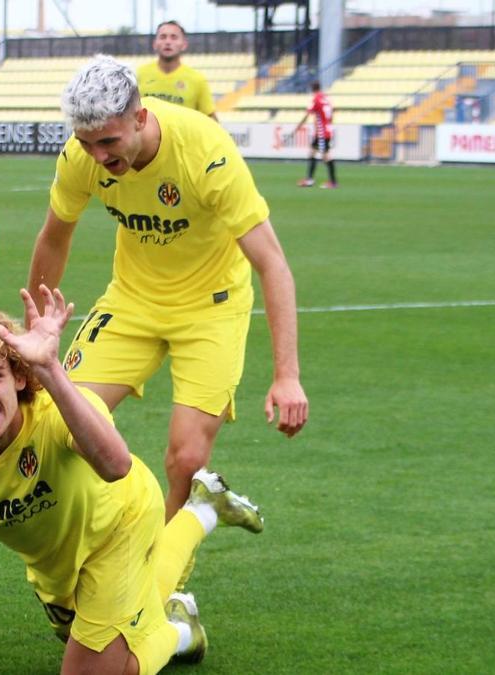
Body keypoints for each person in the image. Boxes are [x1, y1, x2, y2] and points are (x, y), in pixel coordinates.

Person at [0, 287, 265, 674]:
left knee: (103, 669)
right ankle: (200, 516)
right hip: (54, 555)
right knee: (97, 642)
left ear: (18, 376)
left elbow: (115, 465)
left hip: (119, 524)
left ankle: (175, 632)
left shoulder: (59, 409)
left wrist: (49, 367)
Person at [28, 55, 308, 532]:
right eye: (86, 144)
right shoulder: (82, 158)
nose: (98, 158)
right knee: (60, 426)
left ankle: (167, 578)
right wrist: (32, 333)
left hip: (211, 310)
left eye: (109, 142)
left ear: (139, 118)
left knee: (186, 458)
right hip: (131, 301)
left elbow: (272, 262)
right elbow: (55, 236)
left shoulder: (205, 150)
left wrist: (287, 375)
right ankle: (118, 536)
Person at [135, 21, 216, 121]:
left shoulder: (197, 79)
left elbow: (210, 118)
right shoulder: (138, 75)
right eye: (163, 37)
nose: (168, 42)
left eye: (174, 37)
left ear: (184, 44)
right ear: (155, 44)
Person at [295, 81, 335, 188]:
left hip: (321, 132)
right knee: (312, 153)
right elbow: (331, 113)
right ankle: (309, 180)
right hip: (327, 130)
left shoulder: (316, 99)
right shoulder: (325, 98)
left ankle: (333, 182)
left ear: (312, 88)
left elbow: (308, 114)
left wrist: (299, 126)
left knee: (325, 155)